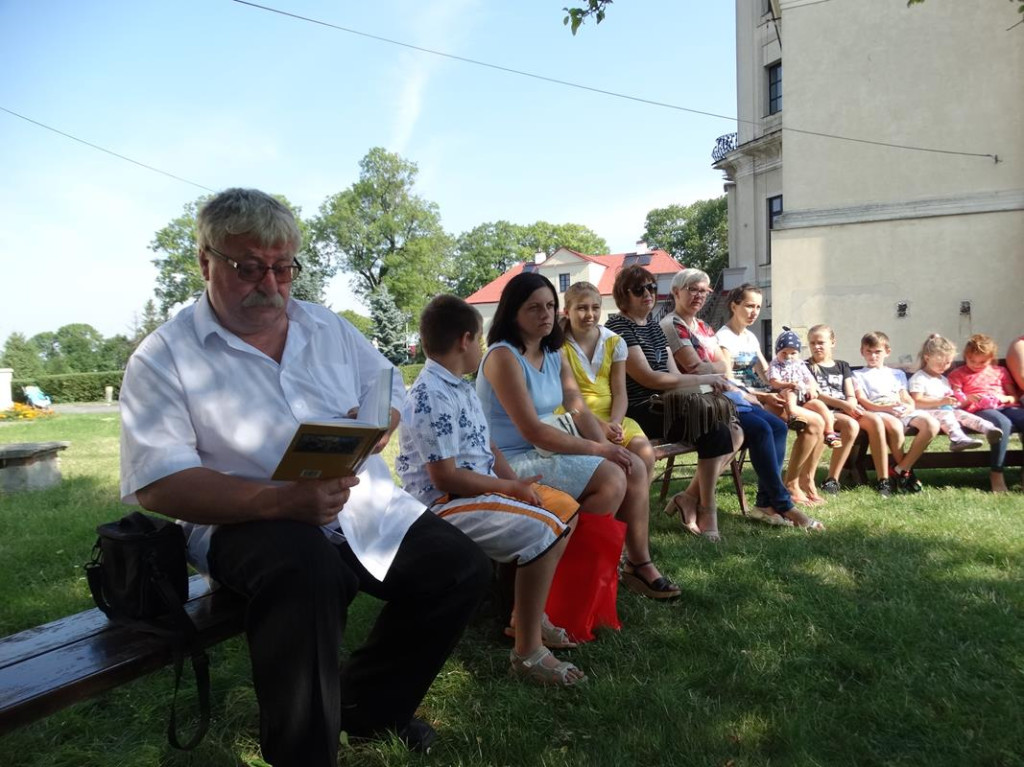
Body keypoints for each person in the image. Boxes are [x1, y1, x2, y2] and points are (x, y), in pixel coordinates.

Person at [119, 188, 491, 767]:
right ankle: (305, 753)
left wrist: (375, 424)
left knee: (459, 568)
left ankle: (369, 709)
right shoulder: (164, 356)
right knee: (309, 574)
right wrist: (277, 501)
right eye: (248, 268)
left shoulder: (326, 327)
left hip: (355, 498)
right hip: (239, 518)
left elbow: (390, 384)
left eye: (284, 267)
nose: (270, 284)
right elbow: (159, 482)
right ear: (205, 261)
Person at [397, 295, 585, 686]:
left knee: (565, 508)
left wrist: (513, 485)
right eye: (479, 339)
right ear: (465, 340)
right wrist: (507, 487)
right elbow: (445, 478)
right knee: (544, 530)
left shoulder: (459, 387)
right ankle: (527, 653)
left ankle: (528, 616)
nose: (481, 346)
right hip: (442, 506)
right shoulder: (431, 394)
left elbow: (489, 448)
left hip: (474, 493)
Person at [477, 271, 680, 599]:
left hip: (546, 449)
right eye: (534, 308)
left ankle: (633, 564)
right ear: (512, 312)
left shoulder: (552, 350)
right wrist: (600, 452)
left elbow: (578, 408)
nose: (545, 315)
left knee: (632, 466)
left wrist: (606, 446)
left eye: (549, 306)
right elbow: (533, 431)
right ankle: (560, 576)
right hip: (508, 462)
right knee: (612, 479)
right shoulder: (503, 355)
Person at [604, 265, 743, 541]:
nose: (648, 294)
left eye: (652, 288)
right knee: (716, 430)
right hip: (640, 406)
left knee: (734, 430)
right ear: (623, 294)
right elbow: (650, 379)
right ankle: (706, 510)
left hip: (665, 403)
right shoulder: (617, 327)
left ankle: (690, 499)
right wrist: (708, 378)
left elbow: (675, 376)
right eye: (639, 289)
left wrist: (705, 383)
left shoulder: (654, 327)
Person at [659, 269, 796, 528]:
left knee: (777, 426)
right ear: (676, 292)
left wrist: (712, 368)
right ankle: (781, 503)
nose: (699, 295)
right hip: (699, 402)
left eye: (703, 290)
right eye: (692, 289)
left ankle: (766, 502)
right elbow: (696, 368)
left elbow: (720, 367)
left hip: (721, 394)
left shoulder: (703, 327)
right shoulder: (672, 325)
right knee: (760, 429)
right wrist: (714, 368)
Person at [716, 284, 828, 509]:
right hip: (741, 400)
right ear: (734, 306)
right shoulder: (723, 338)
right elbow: (727, 382)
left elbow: (767, 373)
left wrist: (793, 378)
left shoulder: (750, 337)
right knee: (804, 423)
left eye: (758, 307)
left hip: (760, 397)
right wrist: (764, 396)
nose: (754, 312)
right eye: (749, 306)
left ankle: (793, 484)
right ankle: (782, 490)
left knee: (817, 421)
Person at [561, 281, 655, 477]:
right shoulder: (559, 346)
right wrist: (600, 427)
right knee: (613, 465)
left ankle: (637, 505)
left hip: (612, 416)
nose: (590, 314)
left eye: (595, 308)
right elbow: (566, 397)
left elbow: (620, 392)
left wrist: (615, 424)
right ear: (566, 312)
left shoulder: (614, 342)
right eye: (581, 308)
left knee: (644, 454)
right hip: (574, 417)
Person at [805, 324, 894, 497]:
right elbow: (817, 395)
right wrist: (845, 405)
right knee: (851, 426)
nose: (816, 346)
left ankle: (884, 480)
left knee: (875, 421)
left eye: (821, 342)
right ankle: (832, 479)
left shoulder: (842, 366)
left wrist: (851, 404)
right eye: (812, 343)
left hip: (846, 408)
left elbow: (850, 393)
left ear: (832, 342)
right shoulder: (807, 366)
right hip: (825, 412)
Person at [852, 331, 939, 494]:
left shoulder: (896, 374)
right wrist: (885, 408)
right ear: (862, 352)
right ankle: (907, 475)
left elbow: (905, 396)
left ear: (887, 352)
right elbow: (863, 400)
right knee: (895, 426)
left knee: (931, 425)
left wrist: (910, 406)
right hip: (877, 410)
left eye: (877, 352)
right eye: (868, 352)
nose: (873, 356)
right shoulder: (858, 375)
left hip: (899, 408)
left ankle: (901, 469)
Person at [947, 334, 1024, 493]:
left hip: (1004, 405)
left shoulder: (1000, 371)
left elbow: (1014, 396)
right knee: (1003, 424)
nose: (976, 365)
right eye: (971, 360)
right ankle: (996, 473)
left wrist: (1004, 397)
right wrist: (969, 399)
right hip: (980, 409)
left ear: (991, 358)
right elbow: (956, 402)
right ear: (965, 356)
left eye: (982, 362)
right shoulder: (958, 374)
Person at [909, 334, 1000, 452]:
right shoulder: (919, 378)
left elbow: (950, 400)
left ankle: (989, 429)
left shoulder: (943, 380)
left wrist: (962, 400)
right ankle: (958, 439)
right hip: (925, 413)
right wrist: (941, 401)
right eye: (940, 363)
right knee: (947, 415)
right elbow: (917, 402)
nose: (944, 367)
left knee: (961, 414)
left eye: (947, 363)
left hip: (944, 410)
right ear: (927, 358)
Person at [768, 326, 842, 448]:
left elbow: (810, 379)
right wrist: (788, 384)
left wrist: (812, 388)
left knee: (820, 406)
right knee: (790, 392)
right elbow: (774, 382)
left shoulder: (800, 364)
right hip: (785, 392)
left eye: (793, 353)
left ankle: (830, 433)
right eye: (784, 353)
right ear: (777, 352)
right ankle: (793, 415)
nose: (788, 356)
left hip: (803, 396)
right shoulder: (776, 364)